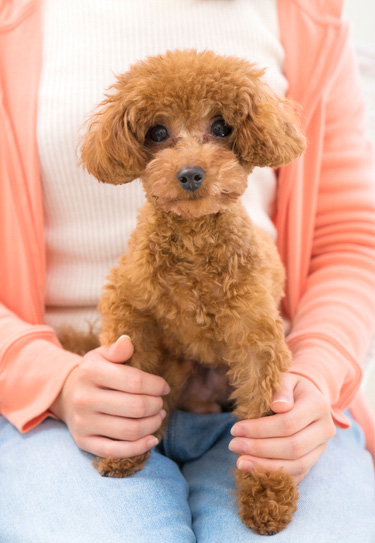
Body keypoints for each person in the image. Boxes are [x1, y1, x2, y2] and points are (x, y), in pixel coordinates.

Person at [0, 1, 374, 541]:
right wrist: (49, 378)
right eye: (159, 135)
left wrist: (316, 376)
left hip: (271, 391)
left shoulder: (307, 14)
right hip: (67, 399)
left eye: (219, 129)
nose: (191, 160)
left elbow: (349, 240)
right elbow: (125, 309)